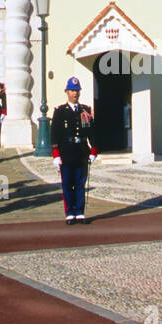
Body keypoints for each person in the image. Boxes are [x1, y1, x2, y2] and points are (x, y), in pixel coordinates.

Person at [51, 76, 97, 223]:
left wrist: (93, 150)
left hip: (81, 151)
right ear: (67, 92)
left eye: (77, 90)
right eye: (72, 90)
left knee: (79, 183)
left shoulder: (86, 110)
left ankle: (79, 211)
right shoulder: (60, 111)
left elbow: (92, 132)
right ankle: (70, 212)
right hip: (66, 152)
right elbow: (55, 134)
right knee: (67, 184)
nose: (75, 93)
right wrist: (56, 155)